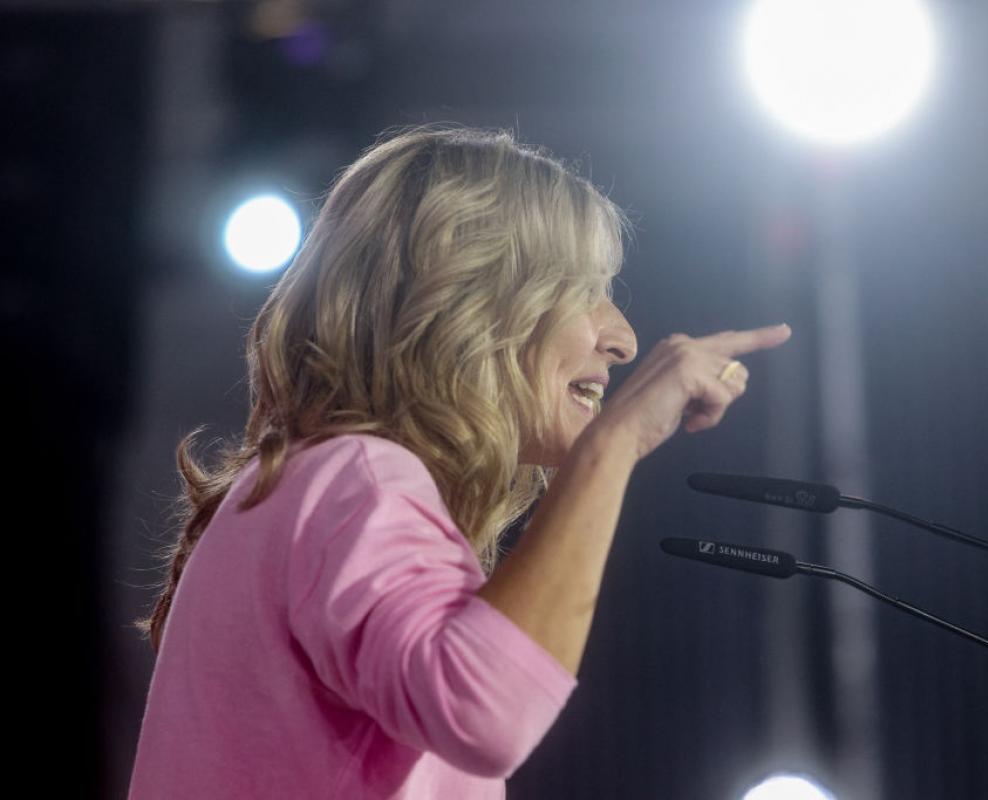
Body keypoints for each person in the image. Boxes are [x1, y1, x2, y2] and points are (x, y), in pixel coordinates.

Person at [128, 124, 791, 798]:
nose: (622, 338)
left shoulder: (299, 488)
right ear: (468, 302)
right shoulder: (354, 476)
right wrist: (612, 446)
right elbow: (484, 715)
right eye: (582, 288)